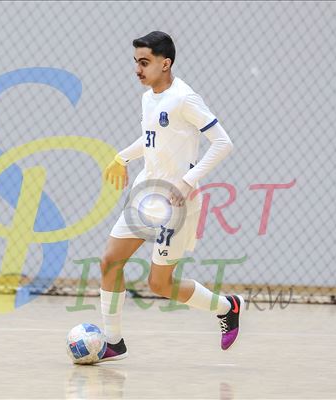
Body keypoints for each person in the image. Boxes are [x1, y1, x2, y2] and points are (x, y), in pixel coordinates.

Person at [98, 31, 243, 362]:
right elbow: (152, 139)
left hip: (176, 203)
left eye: (144, 62)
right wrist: (122, 157)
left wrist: (188, 181)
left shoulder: (185, 98)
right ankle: (113, 342)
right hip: (145, 194)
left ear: (165, 64)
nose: (137, 69)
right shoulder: (148, 97)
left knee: (160, 284)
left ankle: (227, 307)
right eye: (136, 62)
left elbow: (223, 143)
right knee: (109, 261)